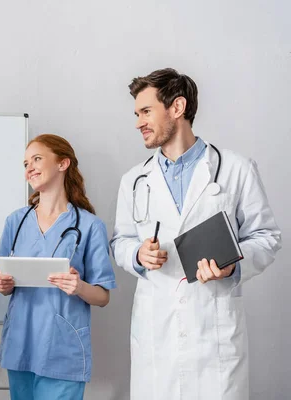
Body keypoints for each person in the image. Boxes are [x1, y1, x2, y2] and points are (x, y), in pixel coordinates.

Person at [110, 68, 282, 399]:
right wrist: (137, 254)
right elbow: (120, 241)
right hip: (156, 333)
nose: (138, 122)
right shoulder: (134, 180)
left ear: (177, 107)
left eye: (146, 111)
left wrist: (233, 266)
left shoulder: (234, 169)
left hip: (213, 334)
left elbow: (267, 236)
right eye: (136, 113)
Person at [0, 134, 116, 400]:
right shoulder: (16, 221)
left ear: (63, 163)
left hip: (62, 348)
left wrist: (79, 286)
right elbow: (1, 282)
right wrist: (1, 284)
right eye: (25, 164)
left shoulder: (90, 226)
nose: (30, 168)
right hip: (20, 346)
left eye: (37, 159)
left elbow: (103, 296)